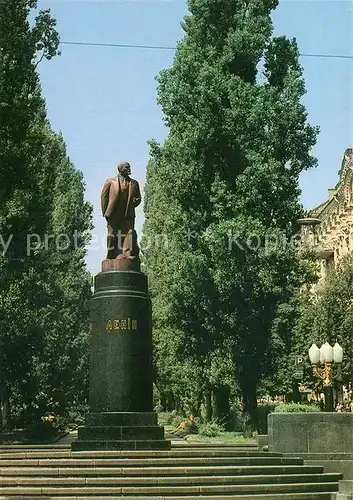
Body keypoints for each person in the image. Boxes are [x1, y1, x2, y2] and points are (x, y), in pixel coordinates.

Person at [101, 161, 141, 259]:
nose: (129, 169)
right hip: (113, 213)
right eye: (127, 167)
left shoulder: (134, 183)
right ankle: (111, 254)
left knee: (129, 233)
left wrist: (132, 204)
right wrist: (106, 212)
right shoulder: (110, 182)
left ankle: (127, 253)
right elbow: (104, 197)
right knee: (112, 234)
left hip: (128, 213)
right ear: (120, 169)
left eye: (129, 167)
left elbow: (138, 198)